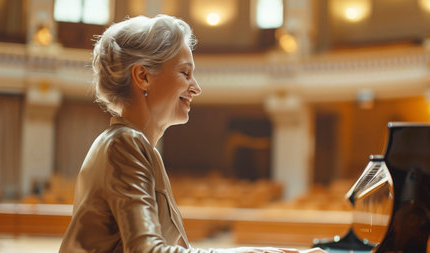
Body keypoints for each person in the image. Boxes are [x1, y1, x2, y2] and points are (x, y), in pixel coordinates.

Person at [59, 14, 326, 253]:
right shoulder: (124, 143)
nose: (196, 88)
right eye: (185, 73)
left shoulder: (133, 145)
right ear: (143, 77)